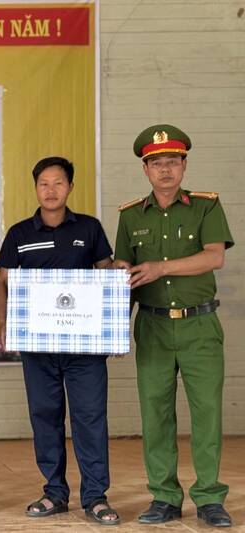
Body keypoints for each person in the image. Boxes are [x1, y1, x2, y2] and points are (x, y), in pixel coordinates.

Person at [114, 124, 234, 527]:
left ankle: (210, 497)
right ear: (145, 169)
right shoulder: (130, 216)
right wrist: (113, 325)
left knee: (207, 413)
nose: (165, 169)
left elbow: (214, 257)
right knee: (156, 414)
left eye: (172, 162)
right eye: (156, 163)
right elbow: (125, 274)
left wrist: (161, 268)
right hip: (153, 327)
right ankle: (164, 496)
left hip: (200, 325)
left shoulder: (206, 207)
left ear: (184, 165)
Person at [0, 156, 119, 525]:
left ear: (70, 187)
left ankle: (95, 496)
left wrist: (113, 327)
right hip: (38, 348)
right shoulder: (19, 234)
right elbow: (3, 283)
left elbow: (107, 278)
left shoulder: (90, 228)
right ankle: (55, 492)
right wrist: (4, 322)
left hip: (84, 350)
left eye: (58, 182)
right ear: (35, 188)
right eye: (44, 183)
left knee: (90, 418)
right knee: (45, 417)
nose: (51, 190)